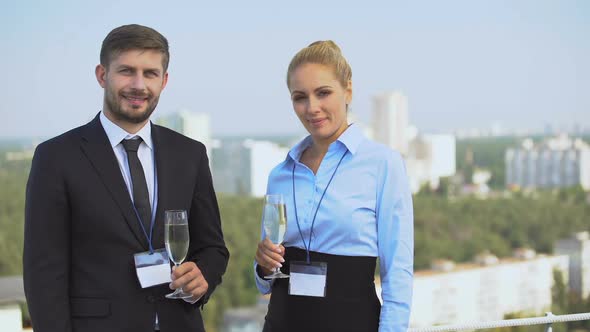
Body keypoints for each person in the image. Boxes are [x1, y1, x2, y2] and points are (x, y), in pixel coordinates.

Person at [23, 24, 229, 332]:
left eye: (150, 73)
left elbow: (213, 247)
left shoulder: (190, 154)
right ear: (102, 75)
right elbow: (43, 273)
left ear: (164, 80)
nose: (138, 84)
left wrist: (204, 276)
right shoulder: (55, 157)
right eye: (126, 71)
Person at [254, 40, 414, 332]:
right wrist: (263, 266)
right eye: (300, 97)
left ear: (348, 91)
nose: (312, 107)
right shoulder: (280, 173)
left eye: (323, 93)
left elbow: (398, 273)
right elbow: (264, 279)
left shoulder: (383, 164)